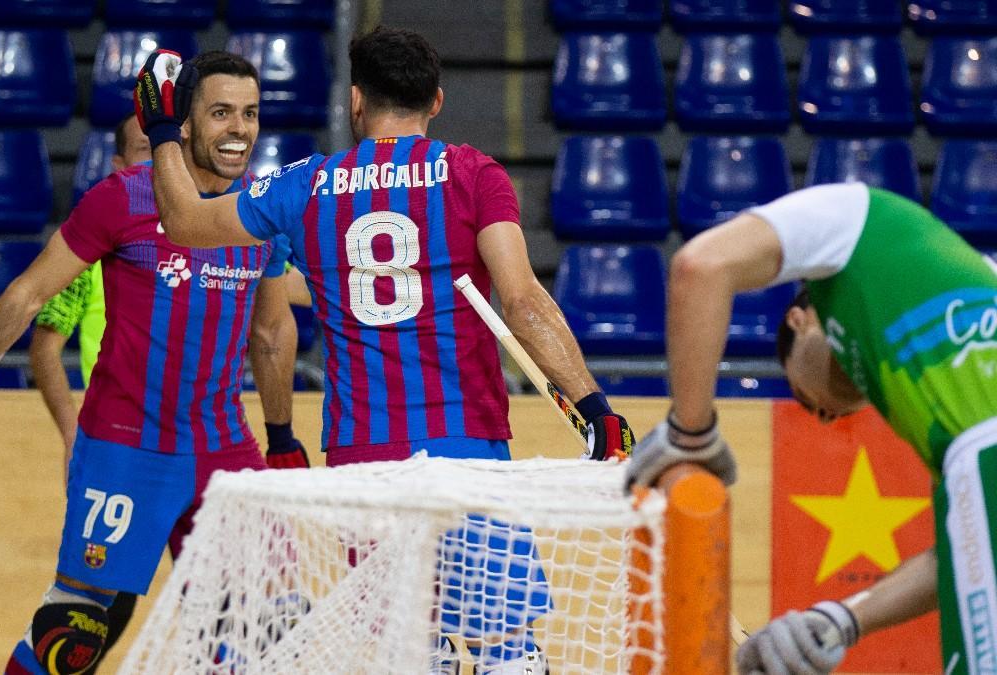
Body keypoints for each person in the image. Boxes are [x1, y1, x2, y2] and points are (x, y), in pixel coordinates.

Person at [135, 27, 635, 674]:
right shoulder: (472, 174)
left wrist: (161, 129)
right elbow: (523, 302)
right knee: (505, 652)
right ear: (436, 101)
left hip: (365, 462)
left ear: (355, 102)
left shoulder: (302, 185)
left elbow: (184, 222)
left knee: (411, 654)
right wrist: (594, 405)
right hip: (469, 451)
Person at [0, 52, 307, 675]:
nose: (239, 129)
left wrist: (280, 438)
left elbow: (273, 329)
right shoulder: (123, 198)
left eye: (251, 114)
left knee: (263, 627)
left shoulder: (262, 207)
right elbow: (29, 294)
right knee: (74, 637)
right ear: (183, 121)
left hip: (223, 450)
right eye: (221, 112)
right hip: (125, 445)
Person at [623, 182, 997, 674]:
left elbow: (702, 264)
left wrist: (689, 432)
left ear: (799, 319)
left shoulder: (856, 217)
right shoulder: (936, 372)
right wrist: (842, 618)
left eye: (802, 397)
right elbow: (955, 554)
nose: (823, 414)